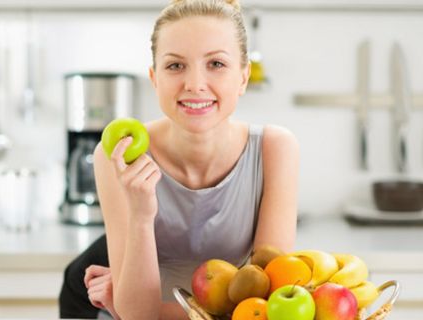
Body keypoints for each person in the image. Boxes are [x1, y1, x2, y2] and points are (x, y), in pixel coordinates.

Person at [59, 0, 299, 318]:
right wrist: (142, 215)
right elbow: (139, 316)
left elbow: (266, 305)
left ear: (243, 77)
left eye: (216, 64)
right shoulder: (117, 154)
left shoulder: (275, 149)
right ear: (154, 77)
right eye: (175, 66)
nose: (195, 84)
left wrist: (153, 309)